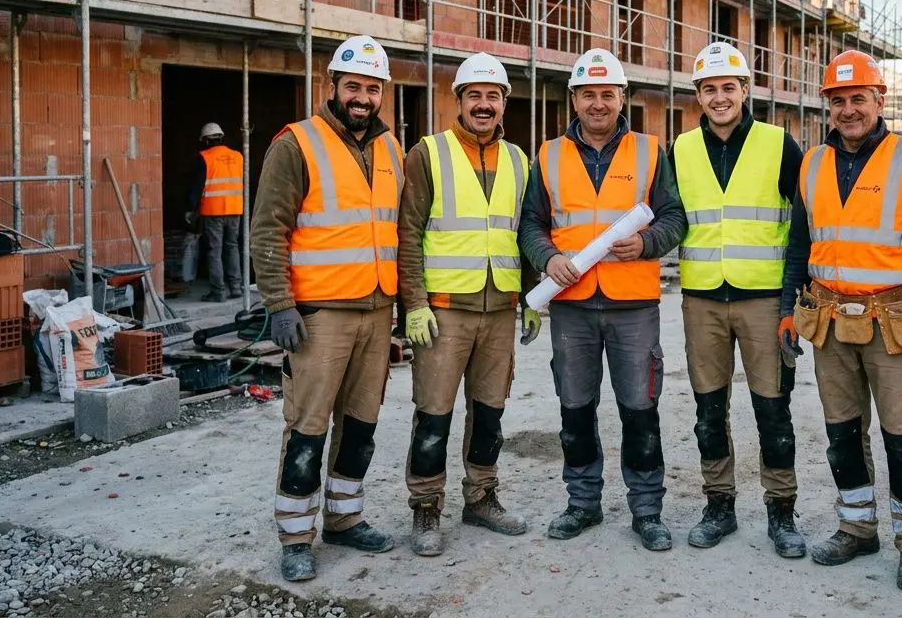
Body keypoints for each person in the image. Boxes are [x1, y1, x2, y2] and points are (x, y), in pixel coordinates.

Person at [780, 50, 902, 593]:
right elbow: (799, 246)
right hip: (829, 321)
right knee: (841, 434)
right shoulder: (812, 163)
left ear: (879, 100)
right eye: (838, 101)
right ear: (828, 107)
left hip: (894, 323)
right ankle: (857, 528)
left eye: (858, 98)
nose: (849, 110)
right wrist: (788, 308)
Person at [517, 48, 688, 551]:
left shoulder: (650, 151)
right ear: (574, 98)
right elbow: (530, 224)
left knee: (640, 408)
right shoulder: (548, 155)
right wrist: (547, 258)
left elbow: (675, 217)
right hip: (571, 303)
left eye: (607, 94)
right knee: (575, 407)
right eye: (588, 94)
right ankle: (582, 502)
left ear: (622, 98)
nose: (598, 104)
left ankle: (647, 510)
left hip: (633, 304)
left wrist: (648, 242)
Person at [250, 35, 404, 582]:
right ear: (332, 85)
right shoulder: (296, 144)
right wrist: (279, 304)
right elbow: (267, 228)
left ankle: (345, 518)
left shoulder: (390, 149)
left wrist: (402, 308)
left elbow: (396, 231)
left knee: (361, 424)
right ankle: (296, 535)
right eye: (353, 86)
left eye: (372, 88)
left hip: (376, 310)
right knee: (308, 426)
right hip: (319, 315)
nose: (363, 97)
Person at [396, 52, 538, 556]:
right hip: (443, 310)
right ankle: (426, 506)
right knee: (434, 413)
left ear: (504, 103)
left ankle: (480, 497)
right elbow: (408, 233)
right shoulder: (428, 153)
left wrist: (532, 297)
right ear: (457, 101)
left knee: (490, 411)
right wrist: (413, 303)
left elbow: (525, 233)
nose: (483, 104)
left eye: (492, 96)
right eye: (473, 95)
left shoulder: (519, 160)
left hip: (499, 308)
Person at [668, 42, 806, 557]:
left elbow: (805, 222)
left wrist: (795, 298)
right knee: (709, 409)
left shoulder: (778, 144)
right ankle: (719, 505)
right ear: (698, 96)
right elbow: (670, 216)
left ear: (745, 90)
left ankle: (782, 511)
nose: (719, 97)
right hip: (702, 298)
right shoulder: (681, 149)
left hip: (765, 300)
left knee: (773, 408)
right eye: (709, 89)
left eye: (729, 87)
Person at [186, 122, 244, 301]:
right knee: (232, 247)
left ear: (206, 140)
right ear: (221, 138)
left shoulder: (205, 157)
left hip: (213, 211)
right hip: (235, 208)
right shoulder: (238, 156)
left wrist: (190, 209)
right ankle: (236, 288)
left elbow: (198, 186)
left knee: (214, 251)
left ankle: (218, 292)